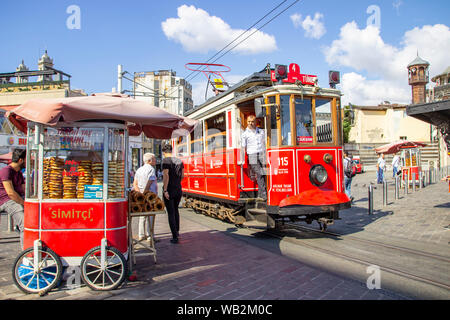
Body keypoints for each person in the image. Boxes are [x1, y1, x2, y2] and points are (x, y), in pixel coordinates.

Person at [0, 149, 26, 247]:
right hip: (6, 200)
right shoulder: (6, 171)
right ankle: (27, 253)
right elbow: (10, 193)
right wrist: (24, 203)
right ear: (20, 160)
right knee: (25, 224)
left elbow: (25, 190)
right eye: (26, 159)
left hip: (16, 198)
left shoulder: (19, 173)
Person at [241, 114, 267, 201]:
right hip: (252, 155)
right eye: (249, 122)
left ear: (256, 122)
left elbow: (266, 141)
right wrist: (242, 159)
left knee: (265, 172)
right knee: (259, 173)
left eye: (252, 121)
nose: (250, 123)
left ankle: (262, 193)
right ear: (247, 122)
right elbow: (243, 146)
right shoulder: (244, 134)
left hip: (262, 153)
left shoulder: (261, 131)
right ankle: (263, 195)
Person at [162, 144, 184, 244]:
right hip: (178, 188)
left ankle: (174, 237)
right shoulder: (179, 161)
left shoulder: (166, 161)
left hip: (170, 189)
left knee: (170, 212)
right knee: (176, 210)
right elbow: (182, 175)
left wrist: (165, 190)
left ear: (164, 152)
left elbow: (166, 175)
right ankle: (177, 231)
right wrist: (177, 182)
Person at [133, 153, 157, 241]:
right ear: (149, 161)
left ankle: (141, 234)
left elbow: (135, 183)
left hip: (141, 195)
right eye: (154, 159)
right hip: (150, 195)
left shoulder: (139, 170)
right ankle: (150, 235)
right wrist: (145, 194)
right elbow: (149, 183)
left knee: (142, 215)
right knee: (151, 215)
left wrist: (139, 193)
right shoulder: (151, 170)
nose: (155, 161)